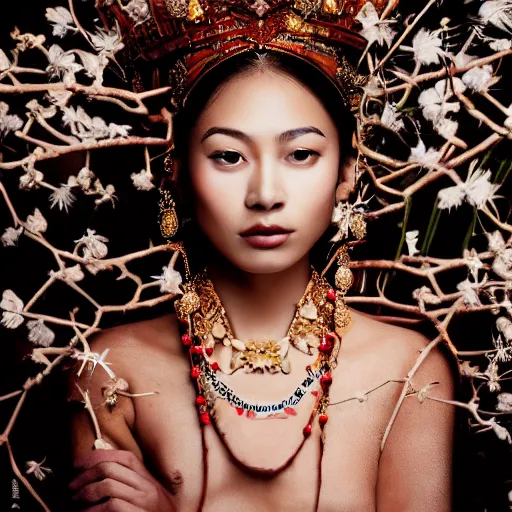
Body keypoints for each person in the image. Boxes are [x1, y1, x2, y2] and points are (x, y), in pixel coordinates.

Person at [65, 46, 456, 511]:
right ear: (179, 173)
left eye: (301, 153)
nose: (266, 194)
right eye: (229, 156)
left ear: (347, 172)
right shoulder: (112, 370)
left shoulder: (408, 371)